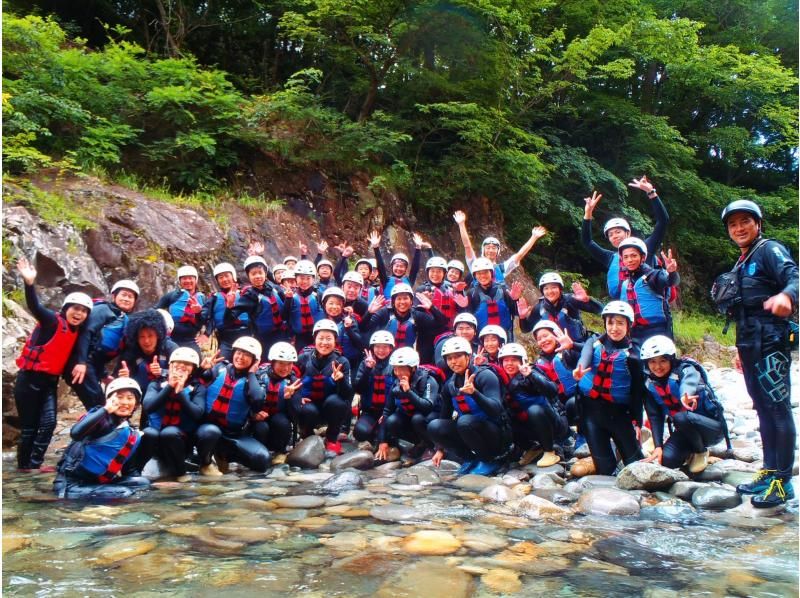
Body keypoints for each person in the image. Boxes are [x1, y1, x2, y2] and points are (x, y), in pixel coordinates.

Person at [719, 200, 798, 507]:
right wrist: (740, 350)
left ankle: (783, 481)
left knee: (777, 408)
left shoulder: (769, 250)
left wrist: (785, 295)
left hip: (772, 341)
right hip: (750, 344)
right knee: (762, 409)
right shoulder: (743, 261)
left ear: (758, 224)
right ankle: (769, 471)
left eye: (745, 222)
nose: (739, 228)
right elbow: (742, 312)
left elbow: (795, 277)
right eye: (733, 224)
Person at [14, 257, 92, 472]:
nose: (79, 313)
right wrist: (29, 283)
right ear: (66, 308)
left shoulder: (78, 332)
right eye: (75, 308)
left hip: (49, 382)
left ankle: (36, 464)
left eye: (83, 311)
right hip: (29, 379)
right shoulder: (51, 321)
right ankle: (24, 468)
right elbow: (35, 306)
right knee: (30, 428)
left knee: (48, 424)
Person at [572, 301, 645, 475]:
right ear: (605, 323)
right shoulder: (594, 342)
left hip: (619, 415)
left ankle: (624, 449)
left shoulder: (633, 355)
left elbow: (637, 392)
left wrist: (637, 423)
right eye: (610, 322)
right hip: (591, 414)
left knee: (636, 468)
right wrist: (580, 368)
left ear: (628, 325)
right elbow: (585, 355)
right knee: (605, 471)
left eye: (620, 323)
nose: (614, 328)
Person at [639, 336, 727, 474]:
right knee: (668, 461)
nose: (657, 366)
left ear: (671, 359)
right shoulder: (649, 384)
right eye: (652, 362)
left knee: (680, 417)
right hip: (686, 430)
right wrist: (658, 447)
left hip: (711, 429)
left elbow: (689, 381)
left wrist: (684, 396)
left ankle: (701, 452)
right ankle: (691, 451)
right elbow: (655, 417)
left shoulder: (685, 369)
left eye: (663, 360)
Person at [53, 377, 151, 499]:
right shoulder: (101, 419)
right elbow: (76, 433)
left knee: (143, 484)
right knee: (124, 493)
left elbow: (129, 471)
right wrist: (106, 409)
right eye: (119, 397)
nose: (125, 402)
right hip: (71, 485)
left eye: (130, 398)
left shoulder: (131, 433)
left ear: (136, 404)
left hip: (97, 482)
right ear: (109, 400)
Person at [428, 336, 512, 476]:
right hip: (470, 431)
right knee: (434, 426)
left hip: (496, 433)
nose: (453, 362)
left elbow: (496, 410)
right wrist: (440, 449)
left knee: (464, 421)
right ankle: (470, 458)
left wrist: (474, 393)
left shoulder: (485, 376)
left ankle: (489, 460)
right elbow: (445, 415)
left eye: (458, 356)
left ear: (468, 356)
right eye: (449, 358)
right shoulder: (450, 385)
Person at [581, 176, 669, 299]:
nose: (614, 236)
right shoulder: (610, 257)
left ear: (627, 233)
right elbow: (587, 242)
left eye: (618, 232)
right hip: (622, 311)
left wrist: (651, 193)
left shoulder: (645, 249)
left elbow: (663, 222)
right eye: (611, 235)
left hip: (645, 306)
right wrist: (588, 214)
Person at [197, 336, 270, 475]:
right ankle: (205, 464)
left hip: (233, 434)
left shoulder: (254, 380)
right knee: (211, 432)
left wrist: (251, 373)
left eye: (247, 355)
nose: (240, 357)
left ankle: (223, 456)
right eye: (238, 353)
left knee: (262, 460)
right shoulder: (219, 368)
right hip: (207, 428)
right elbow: (195, 382)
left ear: (254, 360)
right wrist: (201, 369)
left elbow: (257, 401)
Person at [68, 279, 140, 409]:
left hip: (91, 364)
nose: (127, 299)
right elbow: (86, 333)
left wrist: (104, 375)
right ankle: (101, 428)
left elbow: (99, 353)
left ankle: (102, 428)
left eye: (130, 297)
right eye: (123, 295)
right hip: (81, 361)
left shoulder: (124, 319)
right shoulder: (103, 309)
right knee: (97, 402)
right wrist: (81, 362)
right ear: (114, 296)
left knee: (98, 402)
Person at [141, 347, 205, 481]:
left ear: (193, 369)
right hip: (156, 440)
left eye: (187, 364)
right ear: (170, 366)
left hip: (180, 441)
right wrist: (170, 386)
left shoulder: (198, 388)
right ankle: (135, 471)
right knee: (148, 433)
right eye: (178, 362)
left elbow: (197, 414)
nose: (182, 365)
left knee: (169, 432)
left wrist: (180, 391)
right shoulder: (156, 384)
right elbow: (148, 407)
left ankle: (180, 473)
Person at [498, 343, 566, 467]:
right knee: (504, 418)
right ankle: (533, 448)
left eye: (513, 360)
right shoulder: (504, 379)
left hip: (552, 422)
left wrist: (530, 375)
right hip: (531, 424)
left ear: (522, 360)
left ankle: (550, 451)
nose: (509, 364)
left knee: (534, 410)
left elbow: (552, 390)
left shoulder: (531, 371)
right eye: (506, 360)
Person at [292, 319, 354, 455]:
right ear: (314, 339)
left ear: (335, 341)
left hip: (329, 408)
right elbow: (291, 381)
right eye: (321, 338)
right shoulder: (303, 359)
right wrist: (298, 397)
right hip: (310, 407)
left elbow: (348, 394)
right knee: (306, 409)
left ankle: (331, 438)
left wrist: (341, 380)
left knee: (337, 402)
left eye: (328, 339)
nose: (324, 343)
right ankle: (307, 436)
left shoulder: (342, 362)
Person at [379, 346, 441, 463]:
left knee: (417, 418)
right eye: (395, 369)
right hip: (410, 416)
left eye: (401, 369)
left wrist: (408, 392)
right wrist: (383, 441)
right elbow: (387, 411)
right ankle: (419, 443)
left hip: (429, 417)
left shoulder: (428, 380)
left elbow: (427, 406)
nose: (397, 373)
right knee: (392, 421)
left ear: (413, 368)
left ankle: (431, 446)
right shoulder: (396, 383)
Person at [453, 209, 547, 285]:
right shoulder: (474, 264)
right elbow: (467, 246)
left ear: (498, 251)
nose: (490, 250)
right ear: (483, 250)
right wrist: (461, 224)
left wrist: (534, 237)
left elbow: (520, 255)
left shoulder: (503, 268)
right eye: (488, 247)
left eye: (494, 248)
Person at [617, 237, 679, 350]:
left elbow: (670, 281)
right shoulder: (626, 283)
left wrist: (672, 272)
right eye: (626, 257)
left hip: (658, 330)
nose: (629, 260)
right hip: (635, 332)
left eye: (634, 255)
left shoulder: (653, 276)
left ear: (643, 257)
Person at [115, 309, 178, 410]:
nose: (146, 341)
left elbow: (185, 373)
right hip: (143, 396)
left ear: (158, 335)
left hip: (168, 393)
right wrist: (126, 378)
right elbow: (117, 379)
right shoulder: (130, 352)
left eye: (150, 336)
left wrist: (162, 372)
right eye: (142, 336)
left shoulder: (170, 348)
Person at [363, 283, 447, 357]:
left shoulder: (417, 315)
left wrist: (432, 308)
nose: (402, 302)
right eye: (399, 299)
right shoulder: (385, 313)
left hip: (409, 358)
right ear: (393, 302)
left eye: (405, 298)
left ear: (411, 301)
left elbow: (441, 326)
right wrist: (369, 313)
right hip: (386, 357)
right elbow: (364, 328)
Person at [531, 320, 583, 439]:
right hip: (560, 407)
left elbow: (592, 353)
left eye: (545, 335)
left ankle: (583, 437)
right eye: (539, 339)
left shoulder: (570, 352)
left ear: (556, 335)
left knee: (573, 403)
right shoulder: (538, 365)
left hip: (580, 400)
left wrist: (573, 346)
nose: (543, 340)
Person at [252, 342, 302, 459]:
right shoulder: (259, 375)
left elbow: (295, 416)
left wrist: (288, 398)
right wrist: (253, 414)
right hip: (259, 419)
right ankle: (260, 452)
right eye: (281, 363)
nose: (285, 368)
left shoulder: (293, 382)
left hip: (279, 421)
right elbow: (247, 400)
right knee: (261, 427)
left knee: (282, 422)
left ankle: (280, 452)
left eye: (289, 364)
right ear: (272, 362)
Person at [518, 273, 602, 342]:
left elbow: (599, 310)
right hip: (556, 349)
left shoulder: (570, 300)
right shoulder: (539, 308)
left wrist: (587, 300)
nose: (550, 292)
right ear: (542, 291)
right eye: (546, 289)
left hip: (578, 344)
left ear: (560, 289)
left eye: (554, 287)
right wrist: (522, 317)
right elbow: (526, 329)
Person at [458, 258, 521, 341]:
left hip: (505, 338)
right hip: (483, 340)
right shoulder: (472, 294)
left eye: (485, 272)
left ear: (491, 273)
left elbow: (516, 312)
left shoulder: (504, 290)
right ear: (475, 276)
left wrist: (515, 300)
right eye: (479, 273)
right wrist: (464, 307)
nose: (483, 276)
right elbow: (468, 321)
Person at [352, 331, 396, 450]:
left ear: (391, 348)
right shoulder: (364, 363)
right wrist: (368, 369)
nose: (381, 350)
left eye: (385, 347)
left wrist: (388, 413)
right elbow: (358, 389)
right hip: (370, 412)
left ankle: (382, 433)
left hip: (390, 412)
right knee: (360, 433)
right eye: (377, 347)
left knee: (393, 437)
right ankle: (376, 431)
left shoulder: (396, 365)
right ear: (372, 348)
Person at [233, 256, 286, 354]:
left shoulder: (276, 289)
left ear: (265, 274)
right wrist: (229, 306)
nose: (257, 276)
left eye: (260, 273)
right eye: (253, 274)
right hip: (263, 338)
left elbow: (287, 310)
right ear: (248, 276)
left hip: (282, 334)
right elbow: (229, 318)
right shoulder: (248, 296)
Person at [202, 262, 250, 360]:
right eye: (220, 277)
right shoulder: (214, 298)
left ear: (233, 277)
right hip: (226, 338)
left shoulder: (245, 293)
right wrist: (206, 334)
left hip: (247, 334)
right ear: (217, 281)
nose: (224, 279)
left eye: (227, 276)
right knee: (222, 363)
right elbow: (207, 317)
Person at [156, 265, 206, 353]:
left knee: (196, 363)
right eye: (184, 278)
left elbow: (210, 319)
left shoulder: (202, 298)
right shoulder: (172, 295)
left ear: (196, 280)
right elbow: (155, 309)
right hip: (172, 339)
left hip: (191, 340)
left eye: (190, 278)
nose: (187, 281)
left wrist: (206, 335)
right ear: (180, 281)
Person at [368, 230, 425, 298]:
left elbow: (415, 268)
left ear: (406, 269)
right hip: (389, 308)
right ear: (392, 267)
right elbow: (381, 267)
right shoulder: (386, 280)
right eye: (397, 266)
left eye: (402, 266)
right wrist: (376, 248)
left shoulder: (409, 280)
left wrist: (418, 248)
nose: (399, 268)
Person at [283, 259, 324, 350]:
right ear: (296, 278)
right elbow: (284, 316)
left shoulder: (319, 295)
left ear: (313, 279)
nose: (304, 281)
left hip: (318, 334)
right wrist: (288, 299)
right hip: (299, 337)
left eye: (308, 278)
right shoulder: (291, 295)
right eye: (301, 278)